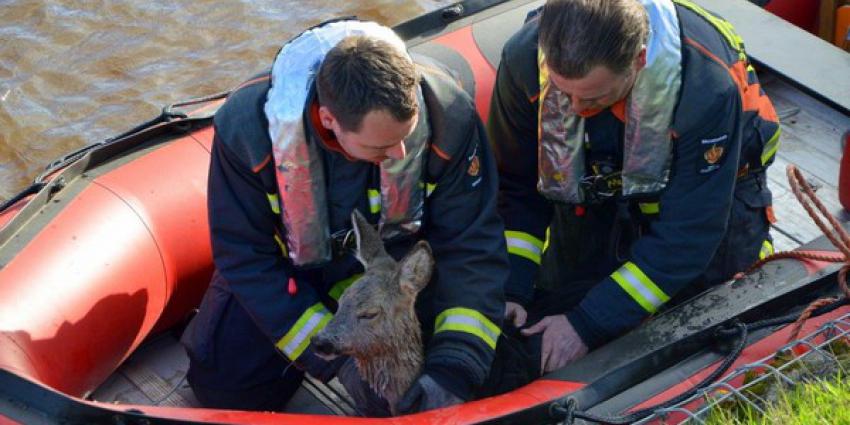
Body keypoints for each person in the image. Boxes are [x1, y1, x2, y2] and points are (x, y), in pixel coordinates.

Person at [181, 19, 508, 415]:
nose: (402, 154)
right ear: (330, 121)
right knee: (227, 388)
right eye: (382, 145)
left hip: (393, 272)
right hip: (294, 273)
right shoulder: (247, 132)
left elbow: (470, 242)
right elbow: (245, 257)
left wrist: (456, 367)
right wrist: (338, 360)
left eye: (408, 134)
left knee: (486, 373)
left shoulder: (448, 115)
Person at [488, 0, 780, 374]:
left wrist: (586, 325)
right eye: (563, 93)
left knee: (709, 325)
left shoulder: (704, 87)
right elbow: (515, 188)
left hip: (713, 188)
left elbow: (690, 234)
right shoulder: (523, 61)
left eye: (592, 98)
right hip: (595, 184)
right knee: (557, 296)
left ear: (640, 61)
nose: (575, 109)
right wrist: (512, 288)